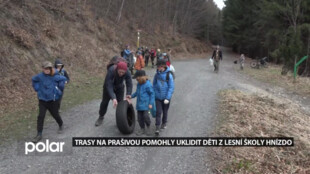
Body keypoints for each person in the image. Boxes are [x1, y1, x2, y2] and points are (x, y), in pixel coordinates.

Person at [31, 61, 67, 143]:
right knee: (41, 116)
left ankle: (61, 124)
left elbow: (64, 78)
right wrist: (37, 87)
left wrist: (61, 85)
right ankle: (39, 134)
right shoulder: (40, 76)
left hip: (52, 100)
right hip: (42, 100)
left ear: (51, 69)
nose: (47, 70)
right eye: (45, 68)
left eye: (49, 68)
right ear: (43, 69)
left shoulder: (54, 76)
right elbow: (33, 79)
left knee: (55, 114)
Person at [95, 61, 133, 126]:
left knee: (120, 104)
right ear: (117, 69)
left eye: (123, 72)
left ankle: (121, 120)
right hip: (108, 87)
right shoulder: (111, 70)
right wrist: (113, 98)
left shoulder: (127, 72)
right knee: (104, 102)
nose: (121, 73)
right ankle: (101, 117)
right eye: (120, 72)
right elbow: (109, 85)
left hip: (119, 87)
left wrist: (128, 94)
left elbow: (129, 83)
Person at [153, 59, 174, 135]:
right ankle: (157, 127)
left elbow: (171, 87)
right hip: (158, 97)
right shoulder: (156, 75)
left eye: (159, 66)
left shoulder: (169, 75)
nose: (158, 68)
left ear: (163, 66)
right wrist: (154, 94)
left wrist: (168, 98)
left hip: (166, 98)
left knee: (165, 111)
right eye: (158, 67)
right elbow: (154, 85)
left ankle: (164, 122)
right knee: (158, 112)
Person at [130, 70, 154, 135]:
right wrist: (131, 96)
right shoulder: (138, 84)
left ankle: (148, 126)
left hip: (146, 105)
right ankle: (142, 129)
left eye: (137, 78)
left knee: (146, 116)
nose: (136, 79)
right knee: (139, 118)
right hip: (139, 105)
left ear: (141, 77)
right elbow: (137, 93)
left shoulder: (148, 84)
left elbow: (152, 94)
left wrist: (151, 103)